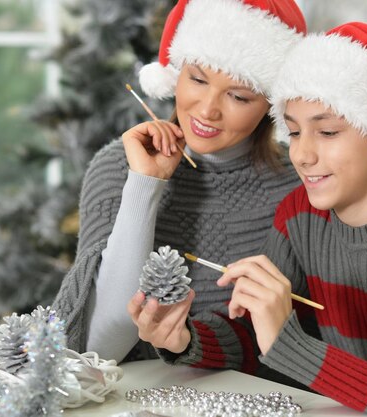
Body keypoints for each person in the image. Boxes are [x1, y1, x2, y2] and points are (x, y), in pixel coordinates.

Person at [138, 22, 367, 416]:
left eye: (328, 132)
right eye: (295, 132)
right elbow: (255, 337)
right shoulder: (300, 215)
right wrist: (185, 338)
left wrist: (289, 344)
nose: (301, 155)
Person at [52, 0, 309, 368]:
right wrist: (145, 184)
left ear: (271, 104)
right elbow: (97, 349)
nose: (207, 110)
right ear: (175, 73)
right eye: (198, 79)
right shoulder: (118, 166)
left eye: (238, 96)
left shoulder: (302, 180)